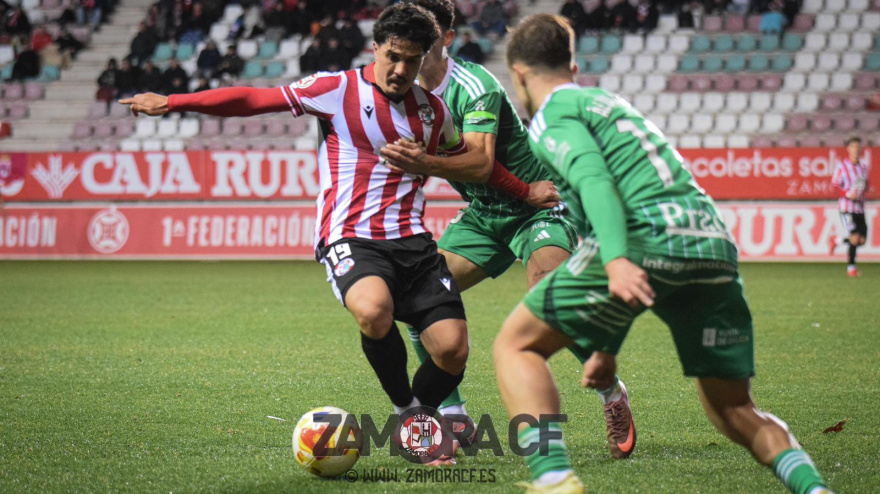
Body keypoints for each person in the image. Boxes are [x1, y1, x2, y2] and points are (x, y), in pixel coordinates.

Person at [119, 4, 536, 465]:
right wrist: (174, 103)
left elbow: (475, 164)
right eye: (393, 56)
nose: (400, 70)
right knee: (373, 309)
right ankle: (409, 417)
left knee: (453, 350)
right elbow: (255, 99)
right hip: (351, 236)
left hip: (414, 243)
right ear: (375, 48)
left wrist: (525, 191)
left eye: (412, 60)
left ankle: (415, 418)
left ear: (424, 58)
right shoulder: (337, 89)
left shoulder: (433, 111)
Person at [497, 14, 835, 494]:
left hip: (643, 236)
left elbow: (594, 180)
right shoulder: (611, 105)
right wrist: (606, 350)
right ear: (572, 66)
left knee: (517, 345)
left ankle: (553, 478)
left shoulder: (553, 115)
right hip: (711, 244)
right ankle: (814, 489)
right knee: (735, 410)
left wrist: (616, 260)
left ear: (518, 75)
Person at [379, 0, 636, 462]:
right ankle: (453, 415)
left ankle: (611, 393)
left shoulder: (475, 86)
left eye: (427, 34)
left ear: (447, 38)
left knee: (550, 297)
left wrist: (423, 162)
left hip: (538, 206)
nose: (415, 42)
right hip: (484, 214)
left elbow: (479, 163)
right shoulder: (405, 93)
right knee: (414, 301)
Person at [830, 136, 869, 277]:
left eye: (858, 147)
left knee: (862, 240)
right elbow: (835, 185)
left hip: (860, 208)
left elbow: (865, 183)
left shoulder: (863, 167)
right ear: (848, 149)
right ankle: (851, 268)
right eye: (853, 147)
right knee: (854, 237)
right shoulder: (842, 167)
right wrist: (847, 194)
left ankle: (837, 240)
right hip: (846, 208)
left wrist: (863, 191)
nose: (856, 150)